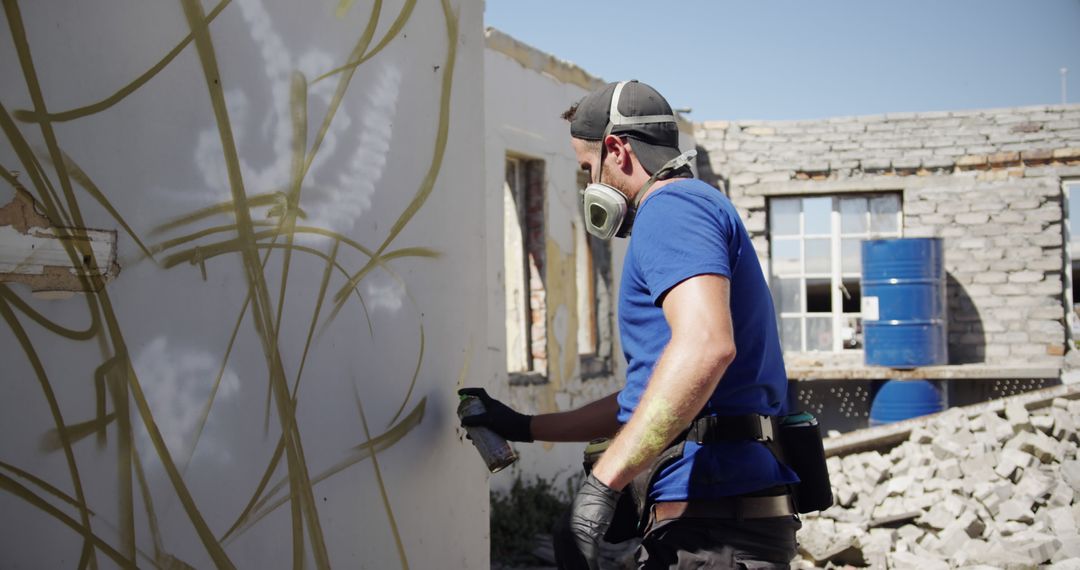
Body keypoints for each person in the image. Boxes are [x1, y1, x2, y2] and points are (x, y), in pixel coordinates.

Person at [460, 80, 800, 569]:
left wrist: (603, 485)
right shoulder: (697, 206)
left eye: (585, 169)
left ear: (616, 150)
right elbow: (648, 403)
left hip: (711, 531)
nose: (588, 186)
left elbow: (706, 346)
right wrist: (525, 426)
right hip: (720, 524)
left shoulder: (671, 207)